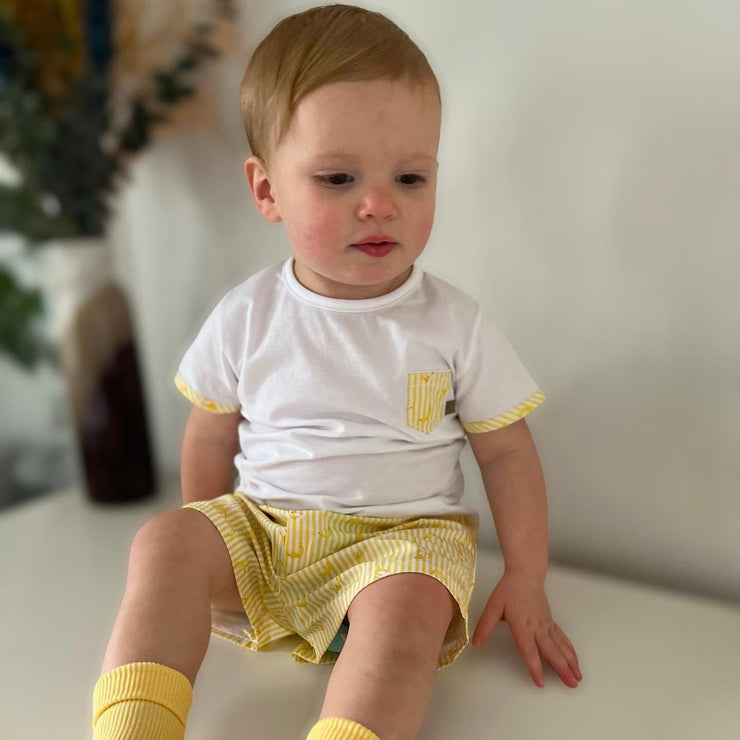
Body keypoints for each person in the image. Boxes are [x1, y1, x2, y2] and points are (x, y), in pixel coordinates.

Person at [92, 5, 581, 739]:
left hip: (400, 545)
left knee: (408, 610)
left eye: (410, 177)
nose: (379, 204)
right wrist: (207, 538)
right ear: (266, 191)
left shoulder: (452, 323)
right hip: (265, 531)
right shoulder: (248, 315)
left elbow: (506, 451)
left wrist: (526, 575)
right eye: (338, 177)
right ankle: (135, 726)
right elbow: (208, 435)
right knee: (161, 542)